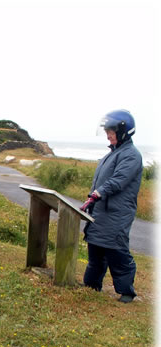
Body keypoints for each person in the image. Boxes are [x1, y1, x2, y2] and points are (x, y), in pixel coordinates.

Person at [80, 109, 143, 303]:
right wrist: (93, 198)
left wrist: (97, 194)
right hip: (100, 212)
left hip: (117, 213)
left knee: (116, 251)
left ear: (123, 131)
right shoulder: (113, 153)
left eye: (111, 131)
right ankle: (91, 286)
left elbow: (118, 180)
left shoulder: (131, 155)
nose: (108, 135)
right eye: (106, 131)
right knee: (96, 250)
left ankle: (126, 292)